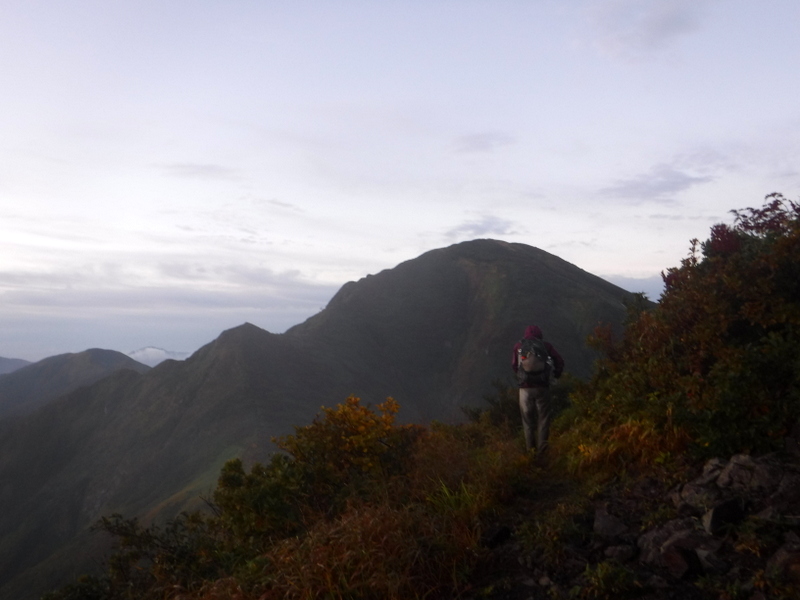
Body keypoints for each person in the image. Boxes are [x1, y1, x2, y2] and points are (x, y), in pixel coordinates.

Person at [512, 325, 564, 455]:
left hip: (525, 390)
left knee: (527, 421)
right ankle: (542, 452)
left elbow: (514, 365)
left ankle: (531, 452)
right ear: (540, 335)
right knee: (543, 419)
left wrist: (523, 377)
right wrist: (556, 374)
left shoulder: (518, 346)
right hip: (542, 387)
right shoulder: (546, 346)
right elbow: (559, 361)